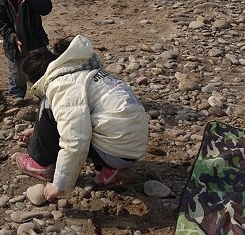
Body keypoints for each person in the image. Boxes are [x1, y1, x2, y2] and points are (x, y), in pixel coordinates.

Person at [15, 35, 149, 202]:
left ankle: (42, 164)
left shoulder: (62, 85)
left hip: (114, 150)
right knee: (72, 116)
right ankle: (113, 169)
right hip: (130, 149)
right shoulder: (86, 71)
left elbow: (75, 139)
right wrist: (38, 132)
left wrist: (60, 185)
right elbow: (79, 116)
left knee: (48, 104)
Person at [0, 0, 52, 103]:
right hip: (15, 43)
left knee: (41, 67)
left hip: (36, 38)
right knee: (17, 71)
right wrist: (11, 37)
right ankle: (17, 94)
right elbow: (0, 21)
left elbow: (46, 8)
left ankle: (44, 93)